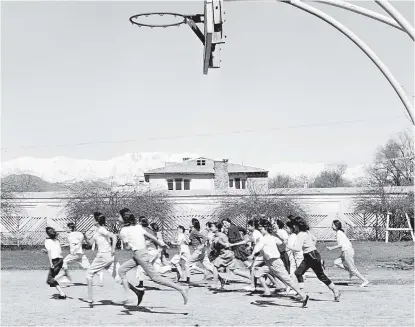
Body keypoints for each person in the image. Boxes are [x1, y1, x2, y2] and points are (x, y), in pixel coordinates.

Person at [118, 213, 189, 305]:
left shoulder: (123, 231)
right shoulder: (138, 227)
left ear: (125, 218)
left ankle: (181, 289)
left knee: (156, 278)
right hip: (140, 255)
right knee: (121, 270)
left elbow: (127, 248)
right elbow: (152, 236)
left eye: (119, 216)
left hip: (140, 256)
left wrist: (124, 241)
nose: (118, 217)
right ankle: (137, 292)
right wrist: (161, 244)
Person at [84, 212, 141, 307]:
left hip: (103, 256)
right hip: (109, 257)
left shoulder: (101, 229)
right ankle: (137, 292)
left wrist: (113, 249)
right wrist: (85, 236)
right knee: (119, 279)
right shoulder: (97, 230)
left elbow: (114, 236)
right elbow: (90, 244)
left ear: (97, 221)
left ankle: (90, 299)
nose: (92, 220)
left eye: (93, 219)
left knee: (89, 274)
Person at [250, 219, 309, 307]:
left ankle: (303, 295)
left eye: (261, 229)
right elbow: (280, 242)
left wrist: (252, 254)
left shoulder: (265, 239)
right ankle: (270, 289)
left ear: (265, 228)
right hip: (270, 263)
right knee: (258, 272)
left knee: (287, 280)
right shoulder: (271, 237)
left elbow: (257, 249)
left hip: (275, 263)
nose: (260, 231)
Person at [287, 217, 341, 302]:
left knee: (299, 273)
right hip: (312, 255)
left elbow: (297, 248)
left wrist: (288, 246)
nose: (293, 227)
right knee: (319, 275)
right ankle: (335, 291)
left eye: (294, 225)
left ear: (297, 226)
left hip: (310, 256)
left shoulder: (301, 234)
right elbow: (314, 239)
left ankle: (301, 294)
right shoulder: (306, 232)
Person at [327, 220, 369, 287]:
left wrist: (331, 248)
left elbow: (340, 244)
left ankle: (365, 280)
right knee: (337, 262)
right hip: (345, 251)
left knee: (353, 269)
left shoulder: (339, 233)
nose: (331, 226)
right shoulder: (339, 232)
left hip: (347, 251)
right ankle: (351, 272)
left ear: (336, 226)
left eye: (332, 225)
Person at [185, 219, 214, 284]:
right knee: (208, 266)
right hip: (201, 250)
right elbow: (193, 240)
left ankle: (188, 281)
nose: (189, 223)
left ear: (192, 224)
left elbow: (204, 237)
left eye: (190, 222)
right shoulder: (193, 231)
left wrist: (202, 245)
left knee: (187, 264)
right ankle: (221, 279)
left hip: (199, 250)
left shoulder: (194, 231)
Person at [44, 227, 66, 299]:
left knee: (50, 279)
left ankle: (62, 293)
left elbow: (50, 253)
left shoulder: (47, 241)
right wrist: (46, 251)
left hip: (55, 261)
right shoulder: (57, 240)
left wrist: (51, 263)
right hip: (60, 259)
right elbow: (59, 251)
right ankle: (61, 293)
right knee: (51, 278)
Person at [285, 220, 304, 291]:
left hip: (296, 256)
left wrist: (286, 245)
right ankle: (294, 288)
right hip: (293, 256)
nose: (286, 230)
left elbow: (290, 247)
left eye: (287, 228)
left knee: (296, 272)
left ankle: (297, 289)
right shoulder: (292, 236)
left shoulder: (293, 236)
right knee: (294, 272)